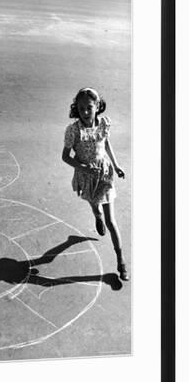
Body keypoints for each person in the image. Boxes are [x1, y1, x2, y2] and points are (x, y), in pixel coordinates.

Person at [62, 87, 129, 281]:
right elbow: (65, 156)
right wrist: (83, 168)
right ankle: (96, 215)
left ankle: (120, 260)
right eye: (81, 108)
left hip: (105, 175)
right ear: (76, 108)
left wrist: (116, 166)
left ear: (97, 106)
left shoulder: (103, 124)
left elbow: (106, 143)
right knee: (95, 206)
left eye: (89, 108)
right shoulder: (73, 130)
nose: (84, 112)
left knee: (111, 221)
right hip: (87, 176)